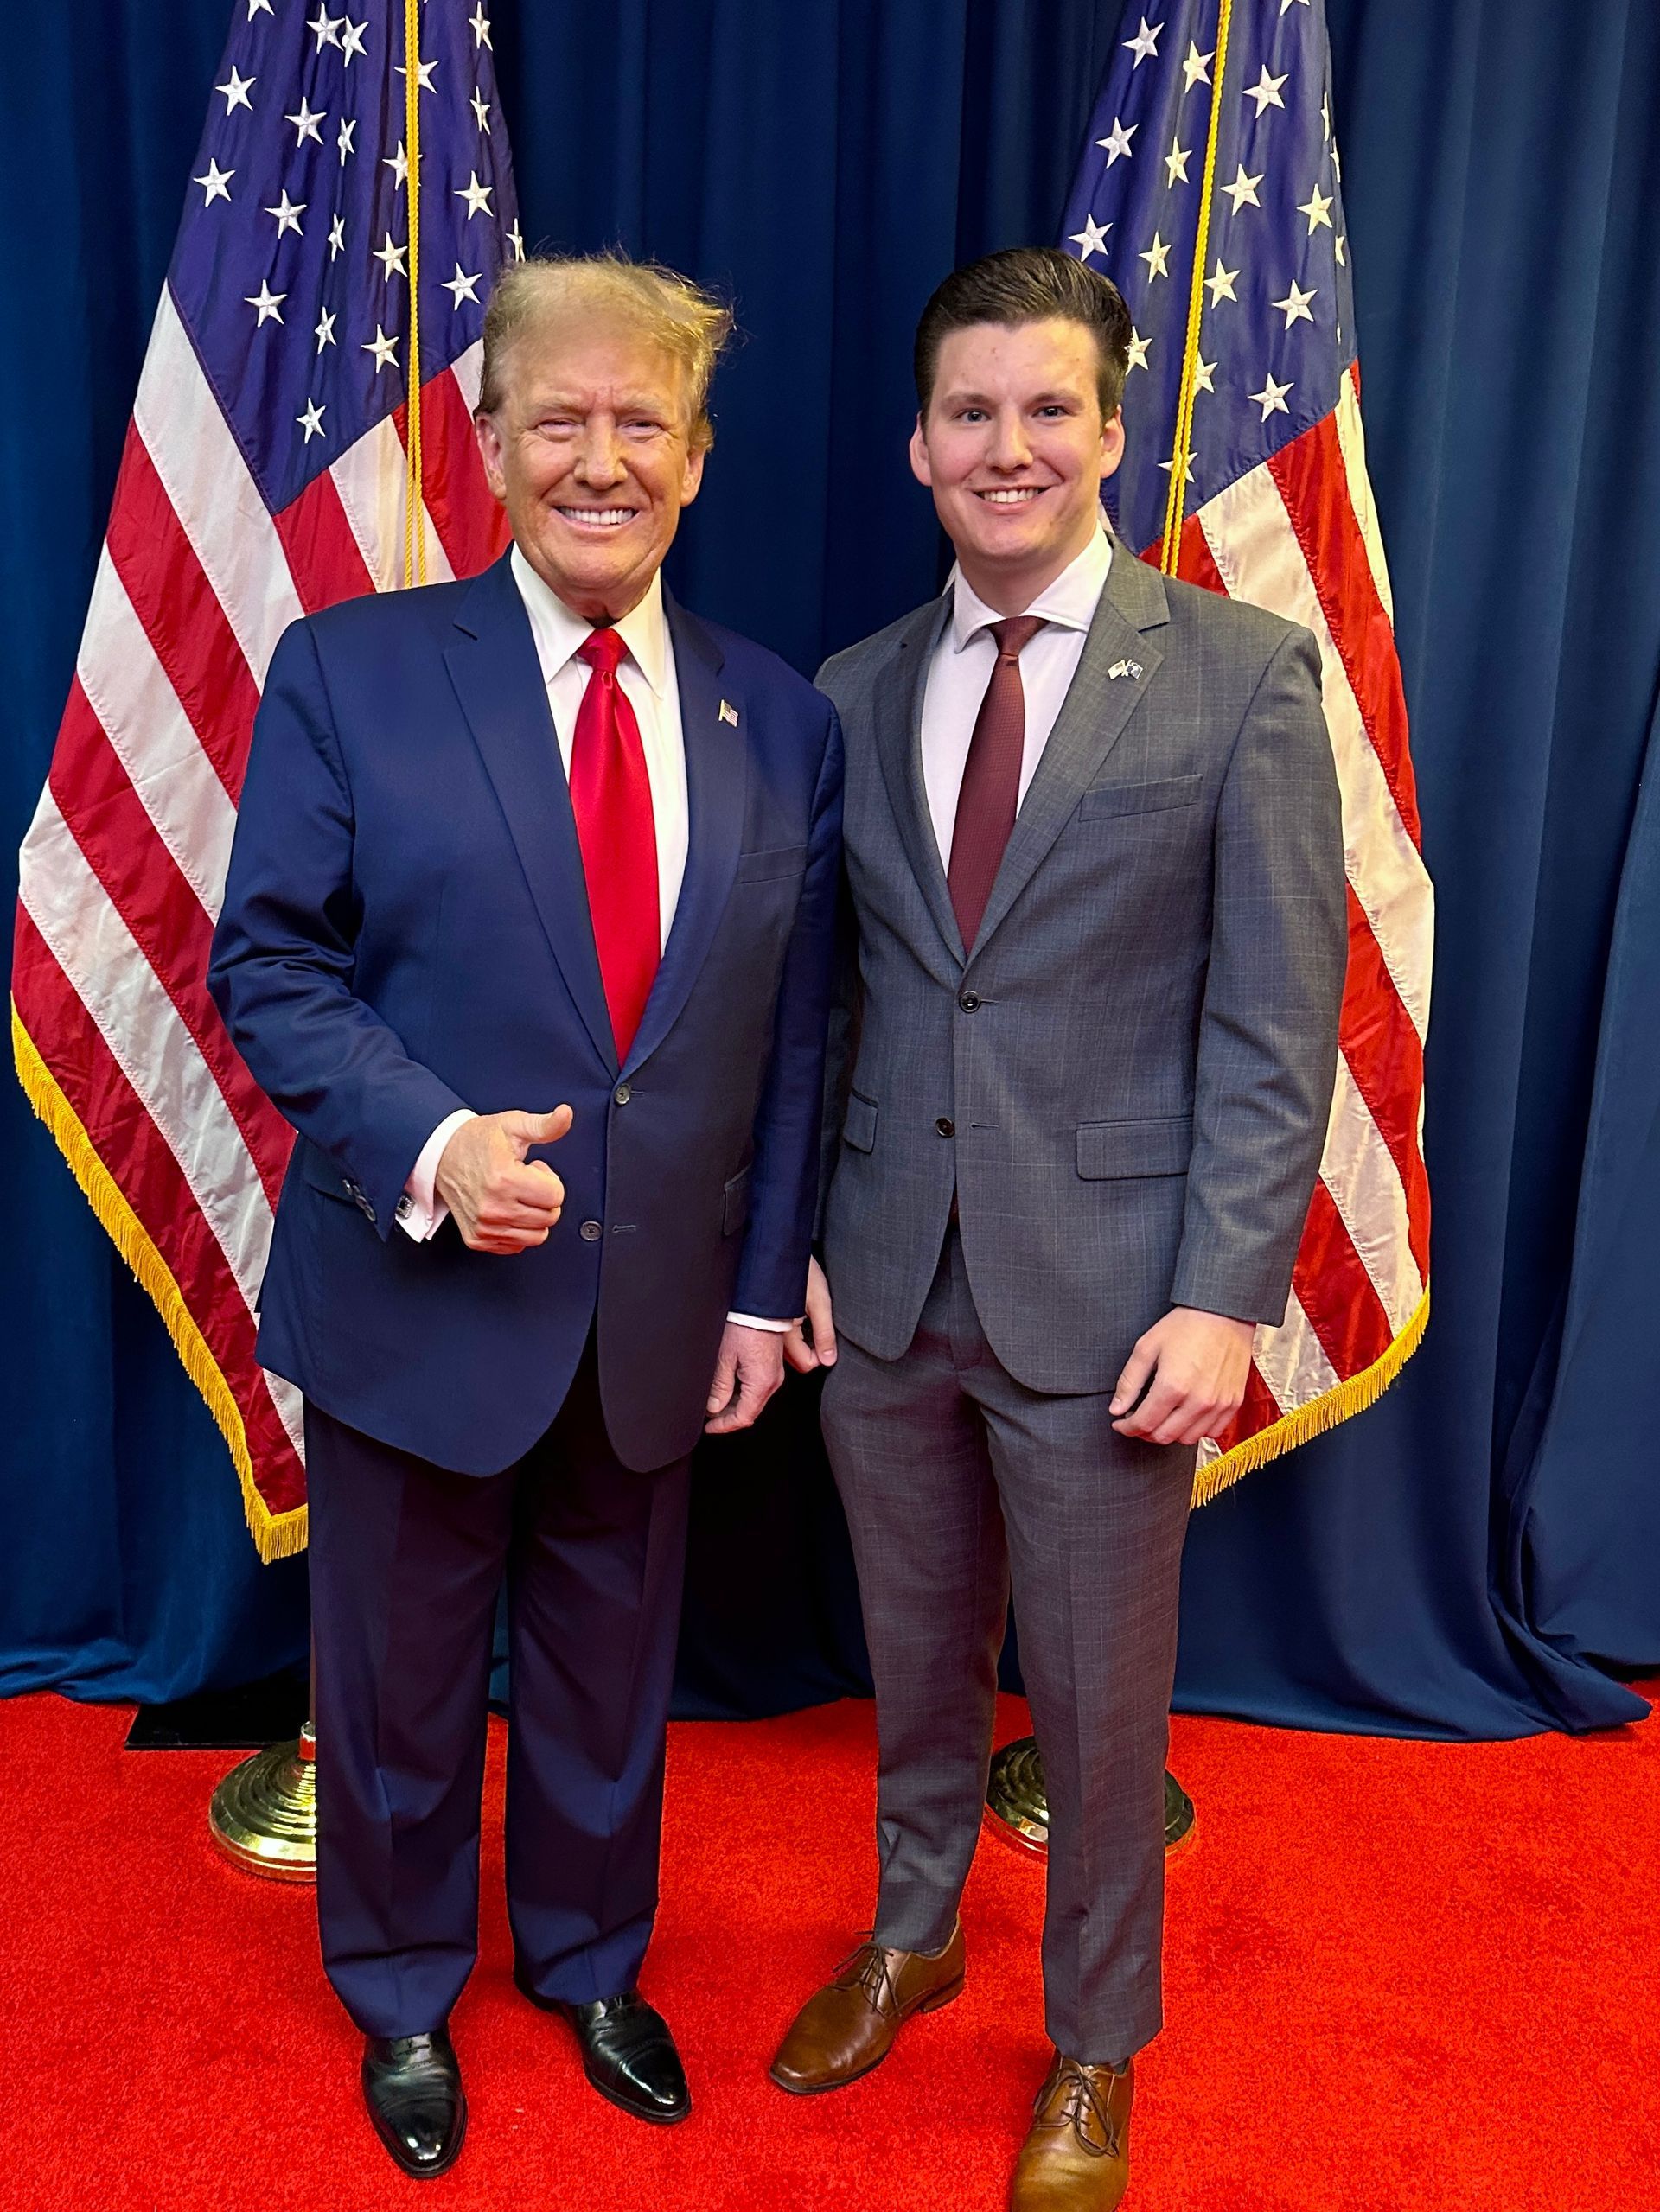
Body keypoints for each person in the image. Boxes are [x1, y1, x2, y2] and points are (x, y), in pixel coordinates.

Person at [208, 253, 842, 2179]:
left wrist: (759, 1289)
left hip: (656, 1319)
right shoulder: (352, 671)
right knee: (396, 1682)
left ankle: (587, 1959)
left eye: (643, 421)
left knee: (606, 1673)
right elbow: (270, 965)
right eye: (559, 417)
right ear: (488, 443)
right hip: (419, 1293)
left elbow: (793, 1036)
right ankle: (402, 1986)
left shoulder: (781, 719)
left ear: (699, 458)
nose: (600, 458)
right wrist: (434, 1146)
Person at [770, 248, 1346, 2212]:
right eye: (970, 412)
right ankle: (913, 1930)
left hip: (1112, 1299)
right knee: (912, 1652)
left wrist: (1225, 1295)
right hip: (885, 1276)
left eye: (1045, 410)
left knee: (1098, 1701)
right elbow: (828, 1006)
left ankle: (1096, 2040)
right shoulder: (852, 689)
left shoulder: (1242, 673)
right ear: (919, 445)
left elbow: (1274, 1024)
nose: (1005, 446)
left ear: (1110, 432)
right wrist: (797, 1241)